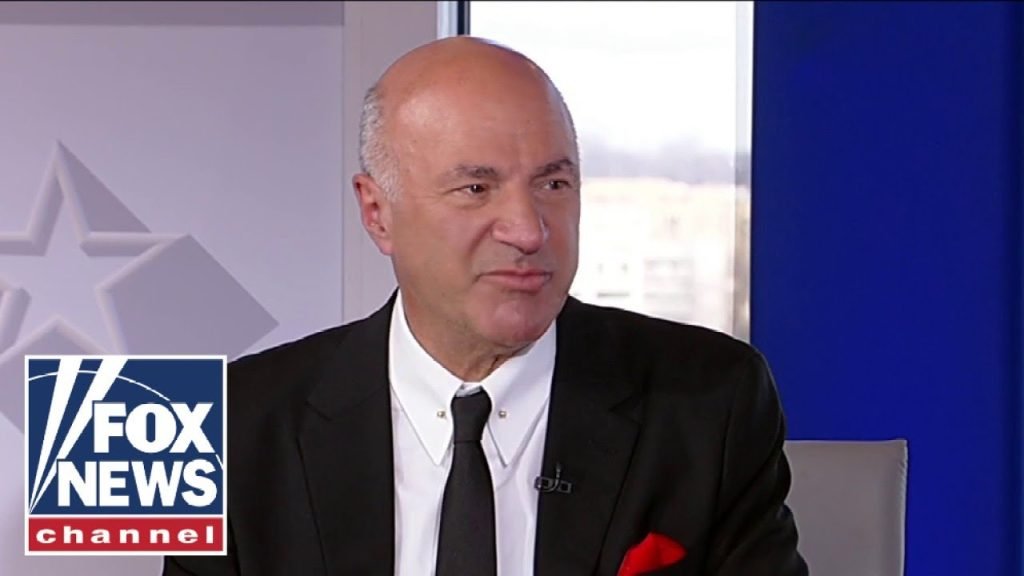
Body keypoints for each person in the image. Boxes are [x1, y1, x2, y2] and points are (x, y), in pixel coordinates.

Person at [164, 36, 807, 576]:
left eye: (553, 183)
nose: (528, 230)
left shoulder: (709, 402)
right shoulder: (228, 427)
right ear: (377, 213)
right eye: (476, 188)